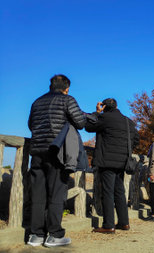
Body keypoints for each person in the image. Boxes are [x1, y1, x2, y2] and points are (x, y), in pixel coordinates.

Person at [27, 74, 86, 247]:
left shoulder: (36, 102)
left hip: (37, 151)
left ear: (51, 86)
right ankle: (54, 235)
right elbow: (80, 122)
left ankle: (35, 235)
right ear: (66, 88)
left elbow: (31, 124)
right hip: (57, 151)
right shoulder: (67, 100)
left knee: (38, 194)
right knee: (56, 194)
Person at [86, 98, 139, 233]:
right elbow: (136, 139)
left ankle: (109, 225)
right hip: (122, 161)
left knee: (108, 192)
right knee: (119, 191)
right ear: (116, 106)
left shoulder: (104, 118)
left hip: (107, 160)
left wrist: (97, 112)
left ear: (104, 106)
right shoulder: (128, 122)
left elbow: (89, 127)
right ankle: (124, 223)